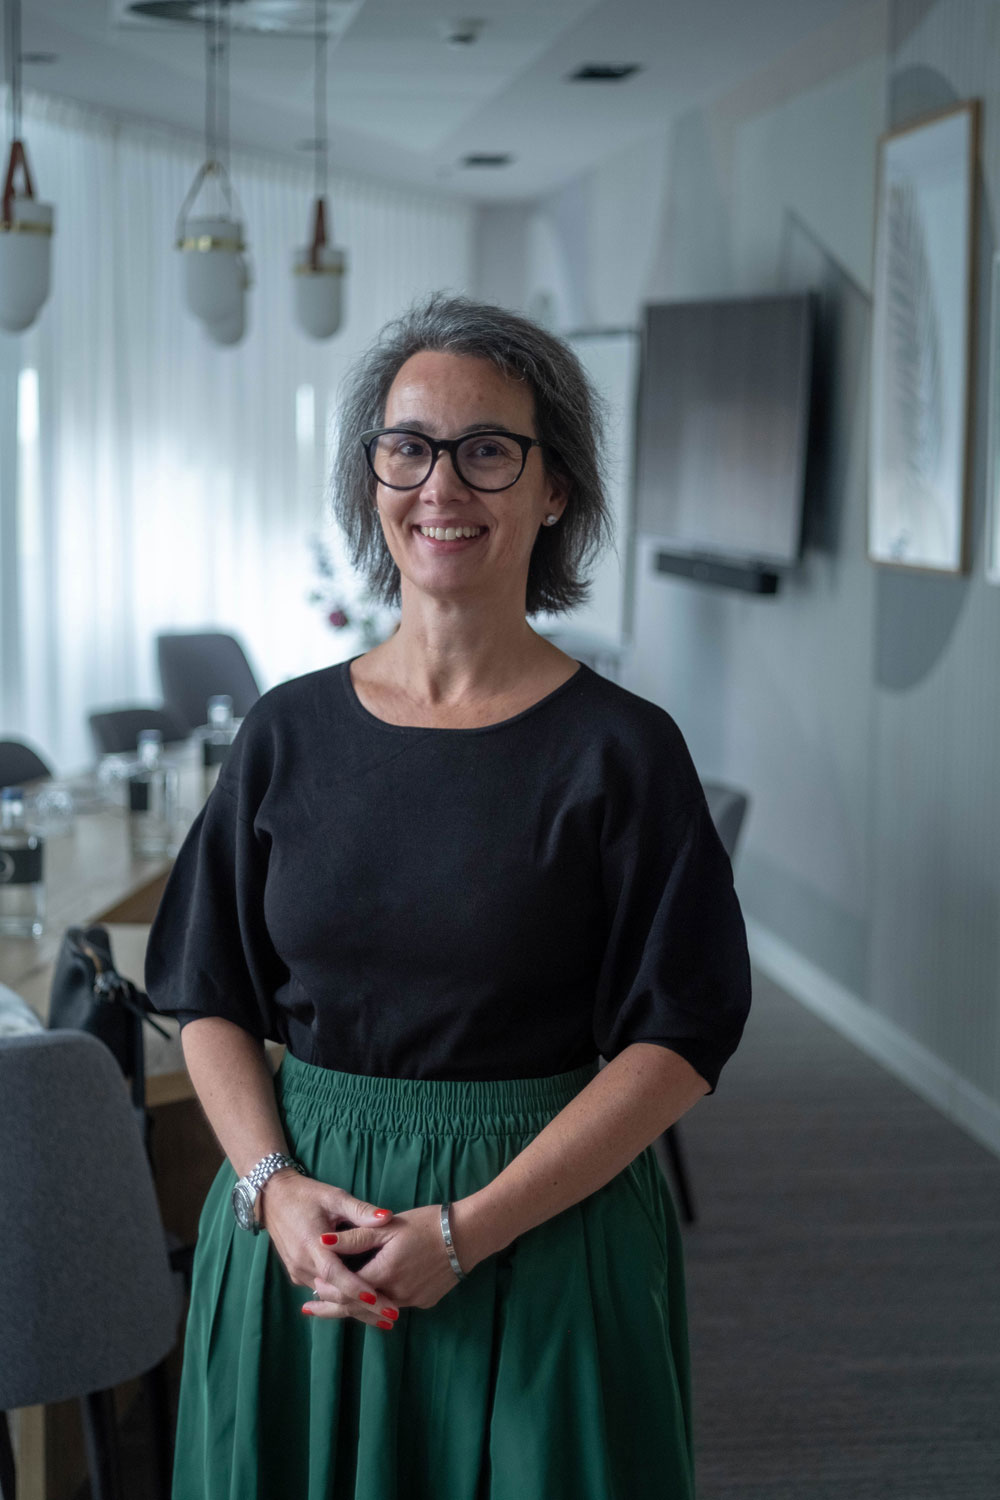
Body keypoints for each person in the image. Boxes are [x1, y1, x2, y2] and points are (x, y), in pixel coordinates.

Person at [146, 292, 752, 1500]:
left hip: (537, 1234)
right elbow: (205, 994)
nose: (441, 486)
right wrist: (270, 1192)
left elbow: (678, 1039)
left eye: (488, 450)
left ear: (554, 488)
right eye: (407, 446)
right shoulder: (284, 733)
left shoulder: (622, 751)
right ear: (372, 475)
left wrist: (467, 1229)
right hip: (302, 1244)